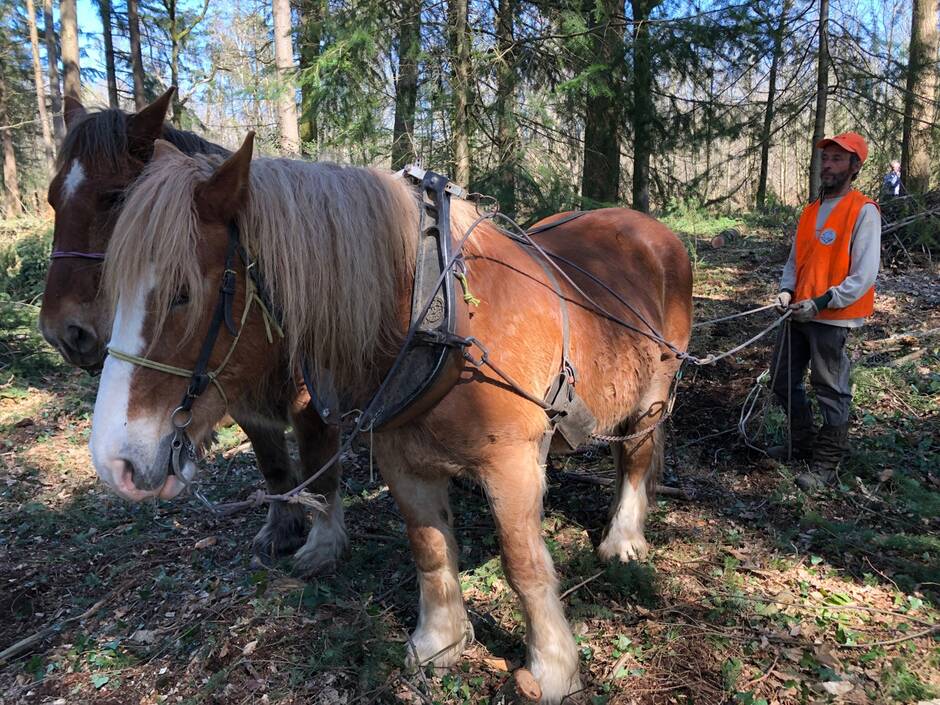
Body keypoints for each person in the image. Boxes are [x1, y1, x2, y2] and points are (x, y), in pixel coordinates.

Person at [768, 132, 882, 491]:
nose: (828, 165)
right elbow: (794, 261)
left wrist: (820, 302)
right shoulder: (810, 211)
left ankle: (827, 464)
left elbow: (863, 275)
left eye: (837, 159)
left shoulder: (863, 210)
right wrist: (787, 291)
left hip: (832, 318)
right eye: (826, 158)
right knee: (781, 380)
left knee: (830, 388)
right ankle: (801, 443)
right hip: (797, 313)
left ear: (854, 166)